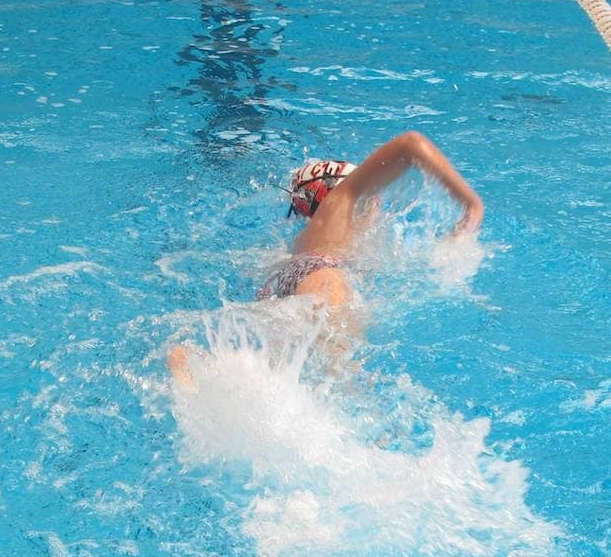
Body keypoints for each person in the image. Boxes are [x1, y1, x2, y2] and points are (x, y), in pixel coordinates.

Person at [168, 131, 483, 387]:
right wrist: (472, 207)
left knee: (282, 379)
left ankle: (201, 363)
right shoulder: (342, 202)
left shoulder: (306, 240)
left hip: (292, 283)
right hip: (324, 279)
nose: (376, 204)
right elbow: (411, 143)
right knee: (347, 386)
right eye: (371, 194)